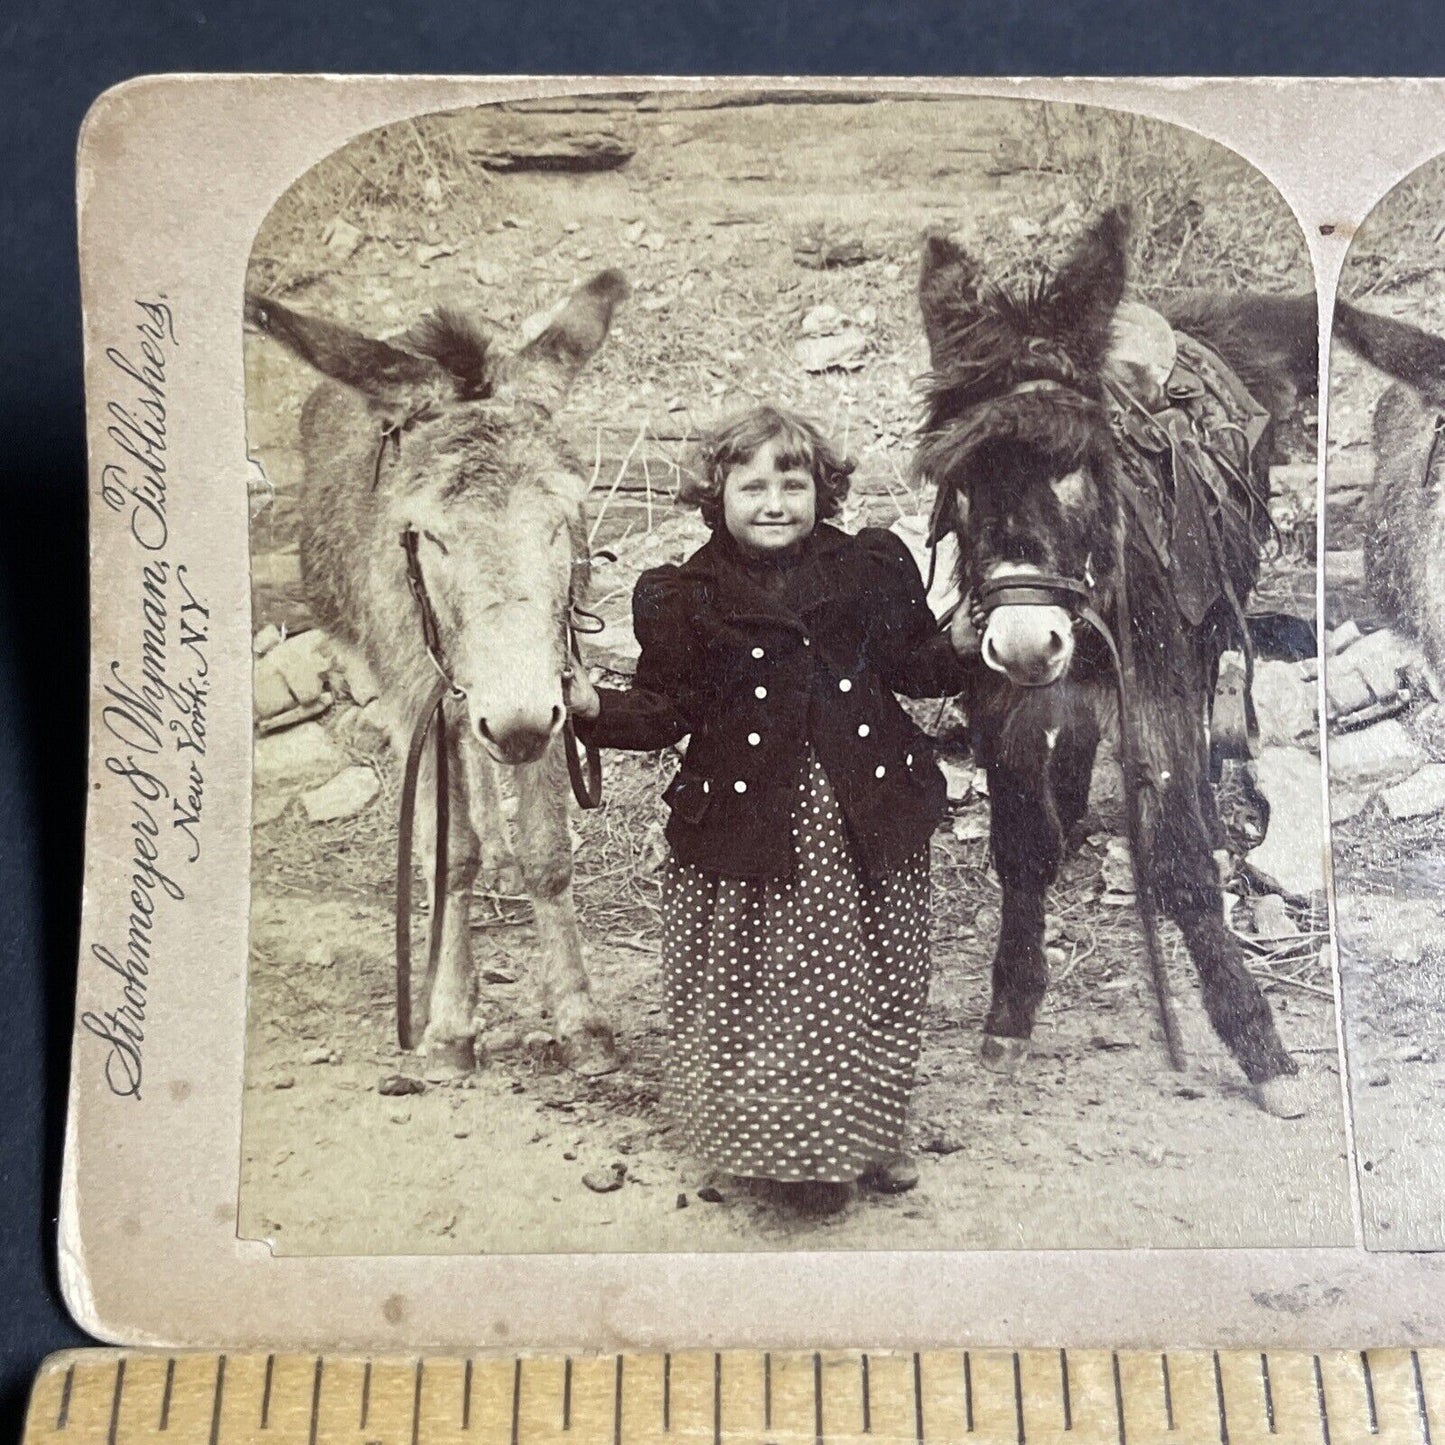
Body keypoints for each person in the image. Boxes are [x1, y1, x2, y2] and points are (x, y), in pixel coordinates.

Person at [569, 405, 975, 1212]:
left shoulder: (870, 564)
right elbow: (665, 708)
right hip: (751, 827)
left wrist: (961, 642)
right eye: (750, 484)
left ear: (822, 489)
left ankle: (868, 1132)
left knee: (876, 979)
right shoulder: (683, 594)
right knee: (765, 986)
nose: (773, 500)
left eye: (793, 481)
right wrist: (590, 706)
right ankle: (784, 1149)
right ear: (713, 494)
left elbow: (912, 668)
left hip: (867, 813)